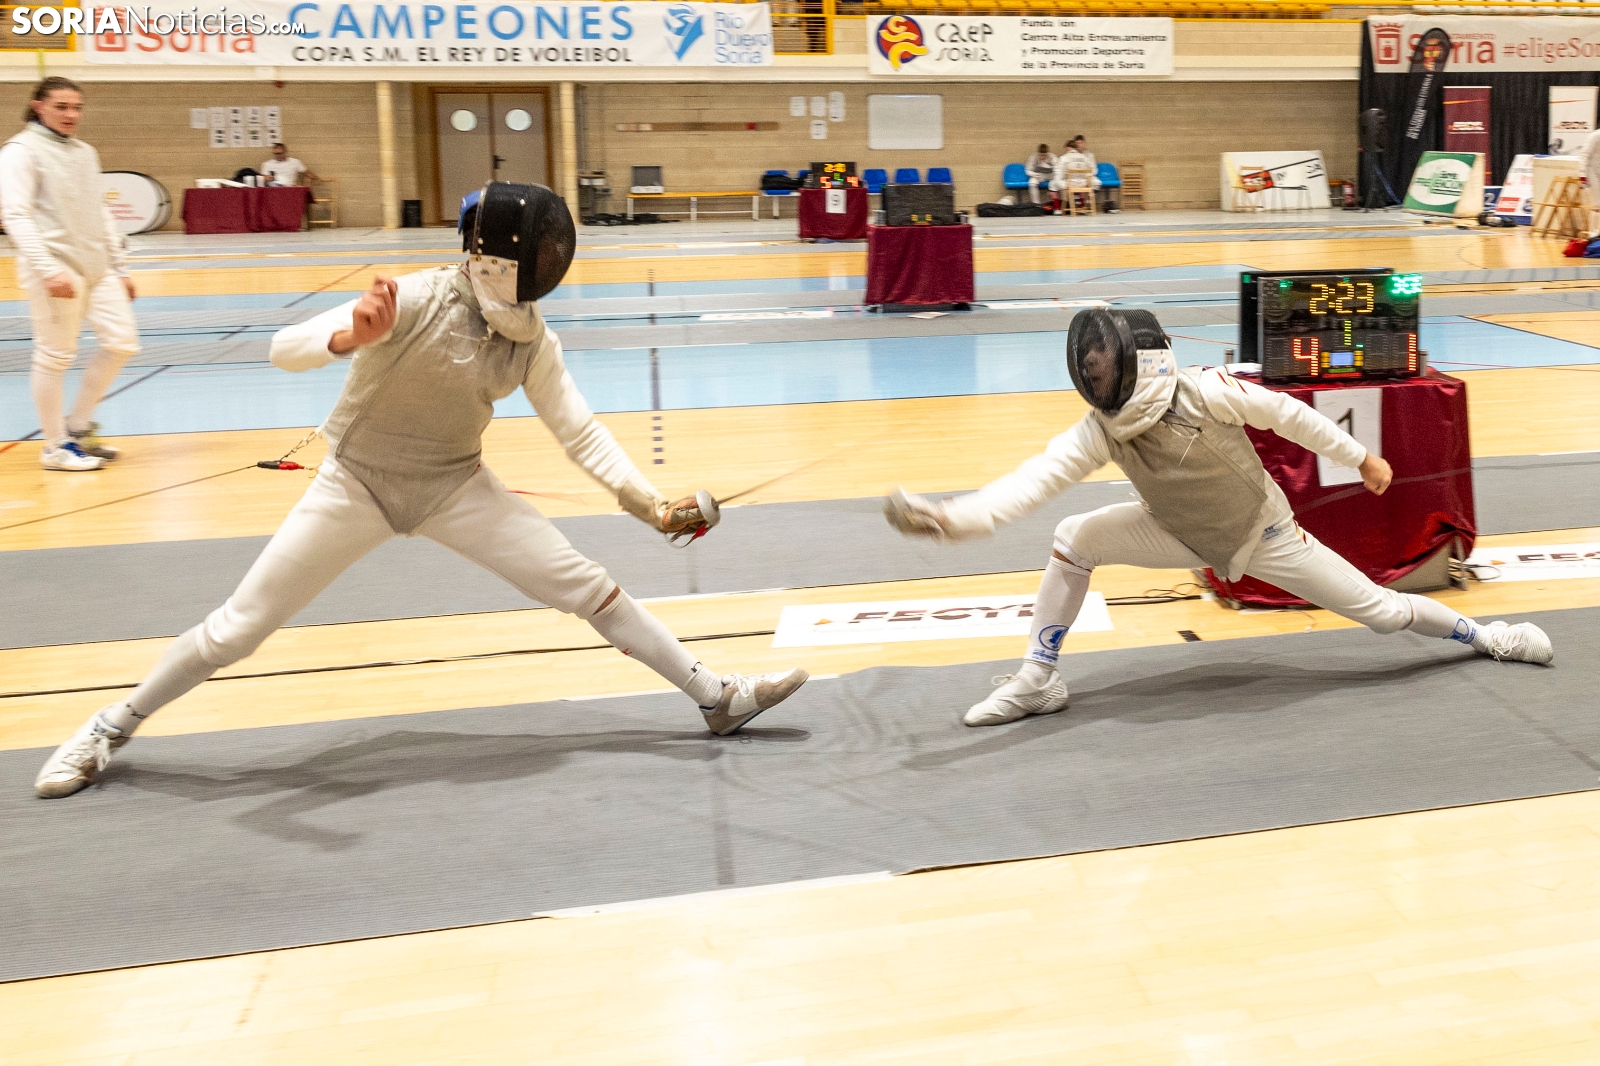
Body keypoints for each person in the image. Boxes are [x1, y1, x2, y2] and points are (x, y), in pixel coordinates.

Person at [34, 182, 809, 799]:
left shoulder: (530, 339)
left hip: (453, 485)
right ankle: (108, 727)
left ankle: (717, 698)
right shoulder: (411, 297)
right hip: (355, 483)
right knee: (237, 630)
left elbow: (579, 432)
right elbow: (282, 348)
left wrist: (647, 504)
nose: (548, 262)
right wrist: (351, 336)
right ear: (495, 255)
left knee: (589, 587)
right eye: (538, 250)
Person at [884, 308, 1553, 728]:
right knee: (1073, 538)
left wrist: (1360, 457)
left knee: (1382, 612)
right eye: (1089, 361)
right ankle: (1037, 678)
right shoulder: (1102, 428)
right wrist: (952, 519)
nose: (1092, 367)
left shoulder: (1205, 390)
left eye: (1102, 358)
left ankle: (1487, 636)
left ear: (1140, 358)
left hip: (1266, 536)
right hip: (1176, 532)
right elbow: (1031, 483)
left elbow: (1289, 415)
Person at [0, 76, 139, 472]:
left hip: (96, 266)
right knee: (55, 355)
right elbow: (15, 215)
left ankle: (77, 427)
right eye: (61, 107)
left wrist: (118, 266)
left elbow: (100, 212)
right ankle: (54, 446)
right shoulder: (20, 152)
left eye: (76, 107)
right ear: (38, 106)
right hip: (55, 267)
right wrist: (47, 269)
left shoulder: (84, 152)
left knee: (122, 343)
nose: (71, 114)